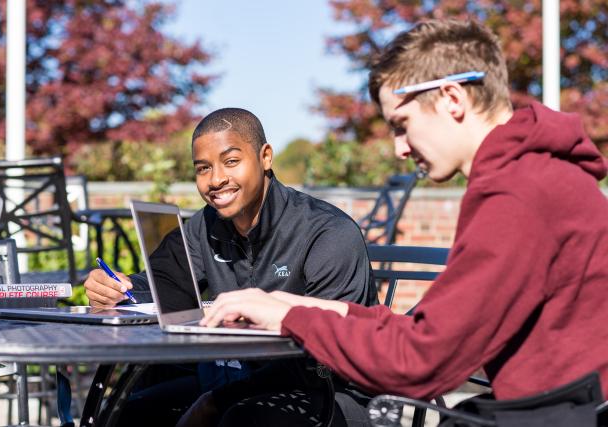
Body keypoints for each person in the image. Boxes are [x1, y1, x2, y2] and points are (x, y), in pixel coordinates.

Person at [200, 19, 608, 424]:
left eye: (402, 125)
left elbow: (420, 362)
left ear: (452, 98)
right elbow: (428, 330)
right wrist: (295, 304)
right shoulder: (534, 175)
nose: (399, 148)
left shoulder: (520, 193)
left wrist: (289, 319)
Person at [84, 107, 378, 426]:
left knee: (240, 419)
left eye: (231, 161)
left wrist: (217, 401)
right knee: (134, 411)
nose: (216, 179)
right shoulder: (204, 227)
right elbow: (160, 286)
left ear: (265, 157)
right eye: (203, 168)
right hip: (236, 380)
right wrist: (117, 290)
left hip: (330, 392)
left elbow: (327, 355)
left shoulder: (327, 233)